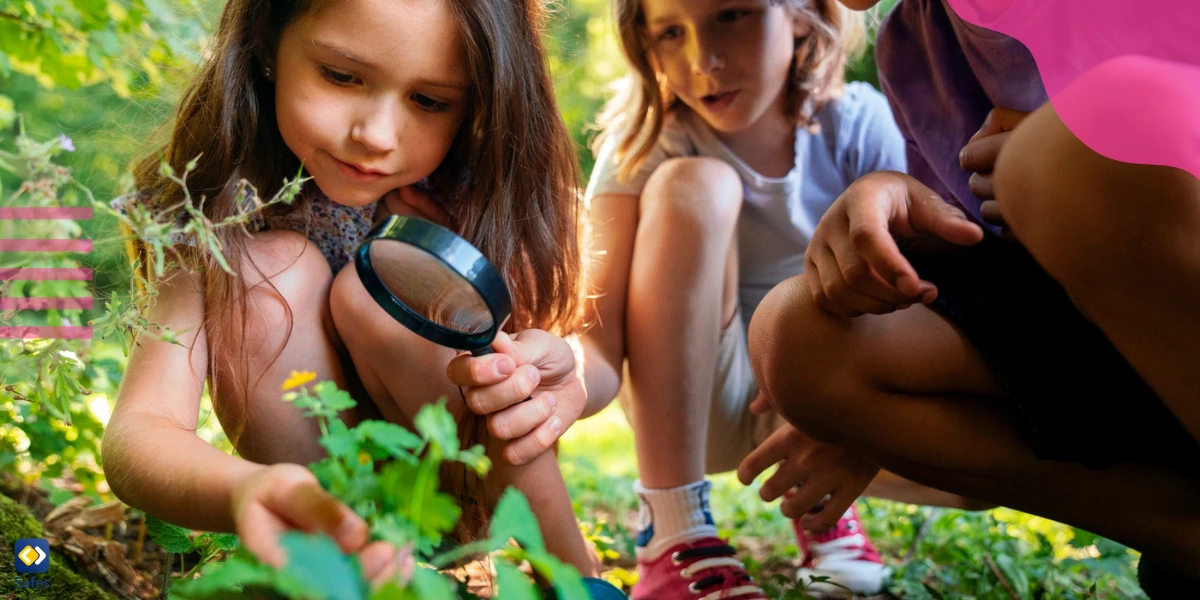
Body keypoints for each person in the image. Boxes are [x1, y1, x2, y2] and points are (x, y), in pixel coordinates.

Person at [448, 0, 977, 595]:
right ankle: (673, 531)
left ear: (802, 14)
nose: (705, 60)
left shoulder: (859, 125)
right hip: (700, 404)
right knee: (697, 185)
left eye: (732, 15)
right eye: (670, 32)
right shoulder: (646, 147)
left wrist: (848, 422)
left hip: (836, 403)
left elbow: (921, 294)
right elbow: (598, 342)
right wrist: (565, 378)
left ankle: (824, 509)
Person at [101, 0, 621, 594]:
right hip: (323, 500)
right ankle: (344, 567)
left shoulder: (479, 193)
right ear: (269, 45)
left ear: (478, 100)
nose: (375, 136)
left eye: (429, 101)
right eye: (342, 76)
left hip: (458, 483)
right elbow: (140, 428)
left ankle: (578, 579)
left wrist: (562, 375)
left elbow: (591, 371)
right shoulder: (212, 205)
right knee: (267, 269)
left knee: (385, 286)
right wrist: (245, 489)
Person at [742, 0, 1200, 596]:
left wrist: (1072, 158)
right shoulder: (913, 41)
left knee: (1059, 159)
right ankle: (1183, 537)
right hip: (1102, 344)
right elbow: (988, 246)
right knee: (796, 333)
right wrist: (897, 203)